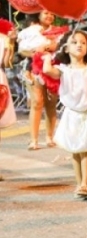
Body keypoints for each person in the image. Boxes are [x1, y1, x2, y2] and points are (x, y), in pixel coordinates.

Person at [42, 31, 87, 198]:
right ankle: (79, 183)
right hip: (72, 113)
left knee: (86, 149)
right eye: (74, 42)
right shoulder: (63, 70)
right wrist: (46, 58)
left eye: (83, 42)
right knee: (75, 150)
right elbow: (47, 70)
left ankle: (86, 184)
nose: (79, 45)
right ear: (66, 48)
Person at [17, 11, 59, 150]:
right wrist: (34, 52)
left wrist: (47, 47)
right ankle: (33, 140)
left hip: (52, 69)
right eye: (46, 13)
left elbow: (59, 47)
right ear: (38, 15)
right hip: (32, 69)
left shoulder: (57, 31)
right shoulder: (30, 31)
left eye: (51, 14)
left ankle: (49, 137)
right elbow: (21, 50)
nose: (49, 16)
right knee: (37, 102)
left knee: (51, 103)